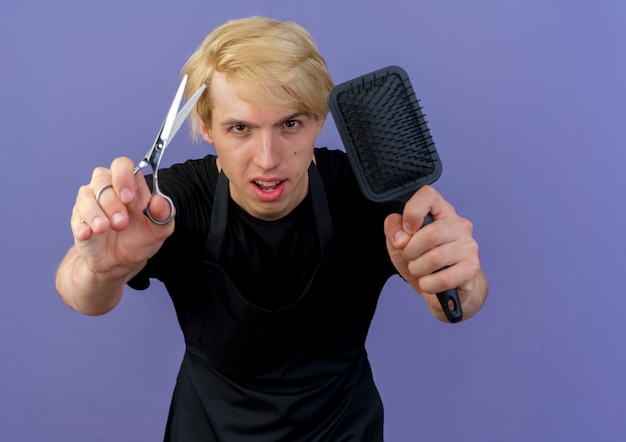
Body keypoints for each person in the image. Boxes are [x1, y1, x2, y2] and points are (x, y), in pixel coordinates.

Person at [55, 16, 488, 441]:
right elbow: (79, 292)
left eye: (290, 124)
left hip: (341, 429)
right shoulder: (168, 202)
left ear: (319, 121)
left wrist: (456, 280)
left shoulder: (368, 195)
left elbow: (459, 299)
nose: (267, 158)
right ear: (206, 127)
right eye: (240, 128)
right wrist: (101, 270)